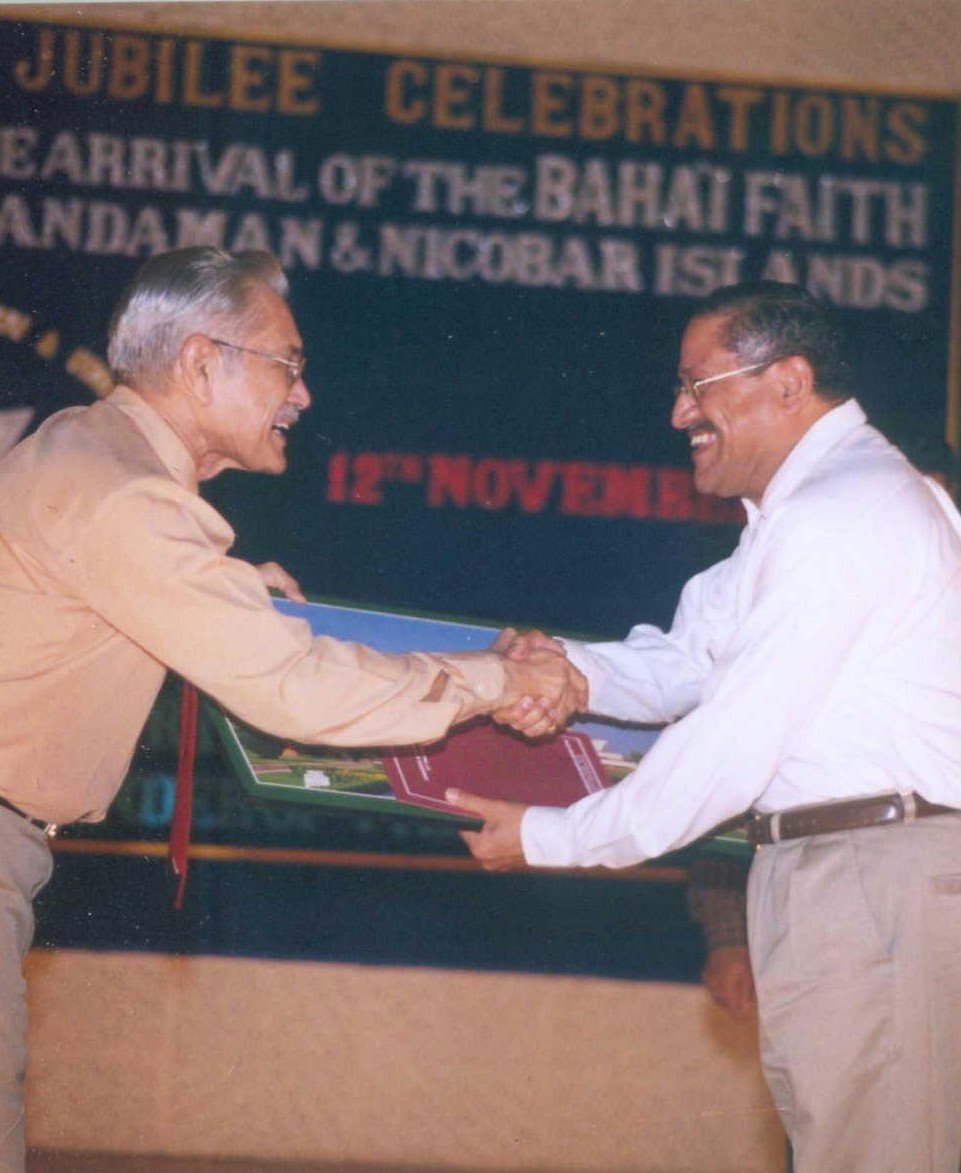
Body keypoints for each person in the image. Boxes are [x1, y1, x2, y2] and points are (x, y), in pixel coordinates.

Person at [0, 246, 584, 1171]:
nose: (302, 394)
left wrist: (231, 594)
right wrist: (497, 679)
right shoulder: (131, 498)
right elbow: (298, 686)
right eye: (289, 363)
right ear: (200, 363)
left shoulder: (87, 447)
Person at [450, 282, 961, 1173]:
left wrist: (552, 836)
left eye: (699, 385)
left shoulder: (842, 514)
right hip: (842, 876)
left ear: (787, 382)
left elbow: (730, 739)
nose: (678, 410)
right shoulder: (807, 513)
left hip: (875, 878)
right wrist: (568, 670)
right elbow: (689, 659)